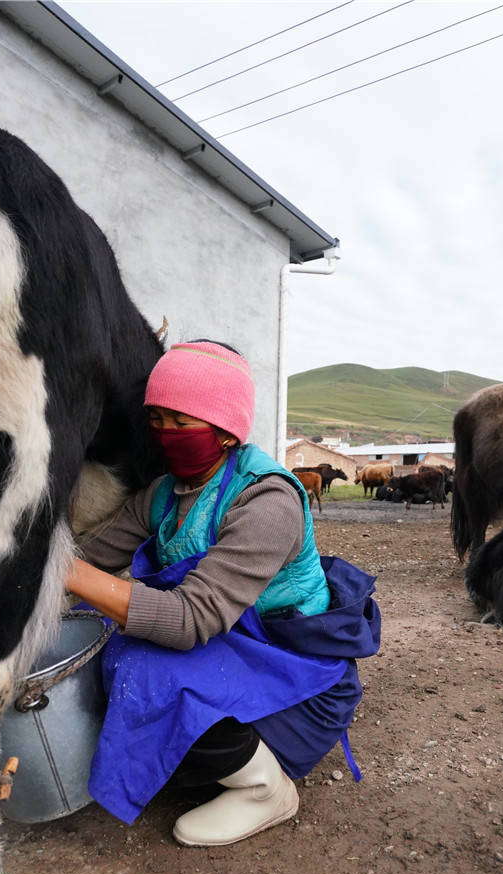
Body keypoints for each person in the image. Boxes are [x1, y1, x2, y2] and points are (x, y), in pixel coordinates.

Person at [65, 339, 379, 847]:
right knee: (107, 636)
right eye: (157, 419)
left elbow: (188, 621)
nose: (166, 435)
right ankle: (212, 757)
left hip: (298, 680)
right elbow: (93, 554)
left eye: (182, 422)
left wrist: (65, 572)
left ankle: (264, 787)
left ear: (226, 430)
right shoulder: (166, 494)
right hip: (237, 654)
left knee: (149, 667)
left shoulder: (267, 500)